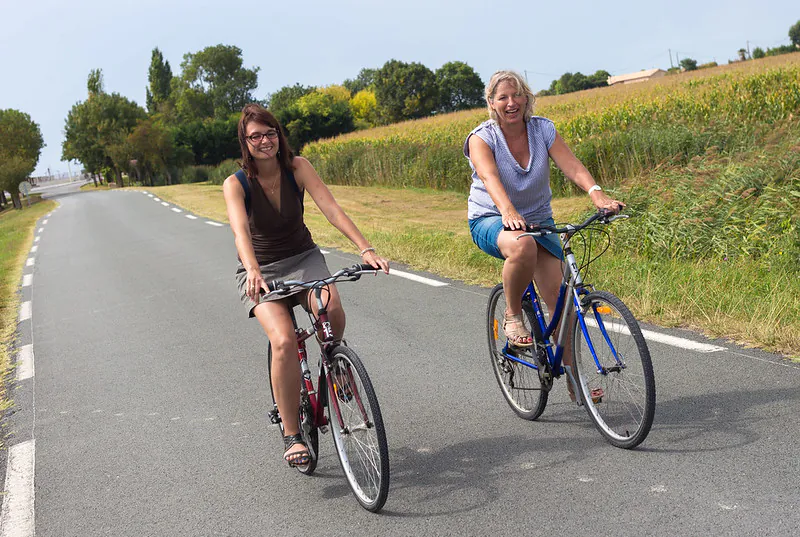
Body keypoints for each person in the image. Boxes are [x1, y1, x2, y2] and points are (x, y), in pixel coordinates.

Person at [223, 104, 389, 467]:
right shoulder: (235, 184)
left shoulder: (298, 167)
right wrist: (252, 269)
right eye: (256, 136)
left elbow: (331, 209)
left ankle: (336, 362)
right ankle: (291, 432)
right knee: (282, 340)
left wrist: (366, 248)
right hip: (261, 271)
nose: (265, 141)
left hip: (303, 258)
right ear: (245, 142)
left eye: (270, 133)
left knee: (329, 307)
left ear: (279, 135)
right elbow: (239, 233)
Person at [464, 71, 623, 398]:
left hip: (538, 220)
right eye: (503, 97)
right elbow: (490, 177)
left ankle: (574, 382)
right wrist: (507, 210)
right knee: (522, 248)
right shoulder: (482, 138)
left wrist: (597, 195)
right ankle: (512, 316)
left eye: (517, 95)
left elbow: (573, 166)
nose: (511, 103)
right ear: (492, 104)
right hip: (491, 217)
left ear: (526, 98)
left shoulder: (542, 130)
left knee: (561, 302)